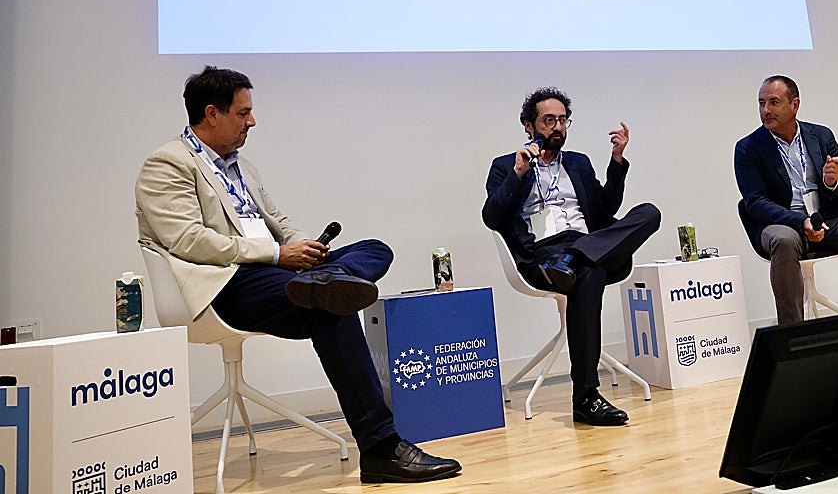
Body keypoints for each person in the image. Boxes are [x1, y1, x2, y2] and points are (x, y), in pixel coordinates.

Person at [135, 66, 460, 484]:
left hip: (279, 273)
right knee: (333, 304)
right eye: (243, 113)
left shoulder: (242, 166)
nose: (252, 121)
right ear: (212, 114)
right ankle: (381, 447)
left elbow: (278, 221)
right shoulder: (167, 164)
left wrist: (305, 249)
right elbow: (189, 240)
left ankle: (325, 280)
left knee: (375, 250)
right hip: (228, 284)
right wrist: (276, 254)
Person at [483, 87, 660, 426]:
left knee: (649, 212)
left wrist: (617, 161)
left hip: (583, 245)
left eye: (563, 120)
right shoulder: (506, 165)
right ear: (528, 125)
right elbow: (492, 217)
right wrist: (519, 173)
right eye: (549, 120)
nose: (558, 128)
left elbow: (606, 209)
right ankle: (586, 398)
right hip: (543, 256)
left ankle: (576, 258)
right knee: (590, 275)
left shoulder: (577, 162)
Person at [734, 75, 838, 325]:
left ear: (795, 105)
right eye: (761, 103)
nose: (765, 110)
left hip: (826, 218)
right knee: (783, 240)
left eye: (773, 102)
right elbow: (756, 202)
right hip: (781, 220)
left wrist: (832, 182)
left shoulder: (821, 136)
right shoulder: (748, 148)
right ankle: (792, 334)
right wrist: (800, 220)